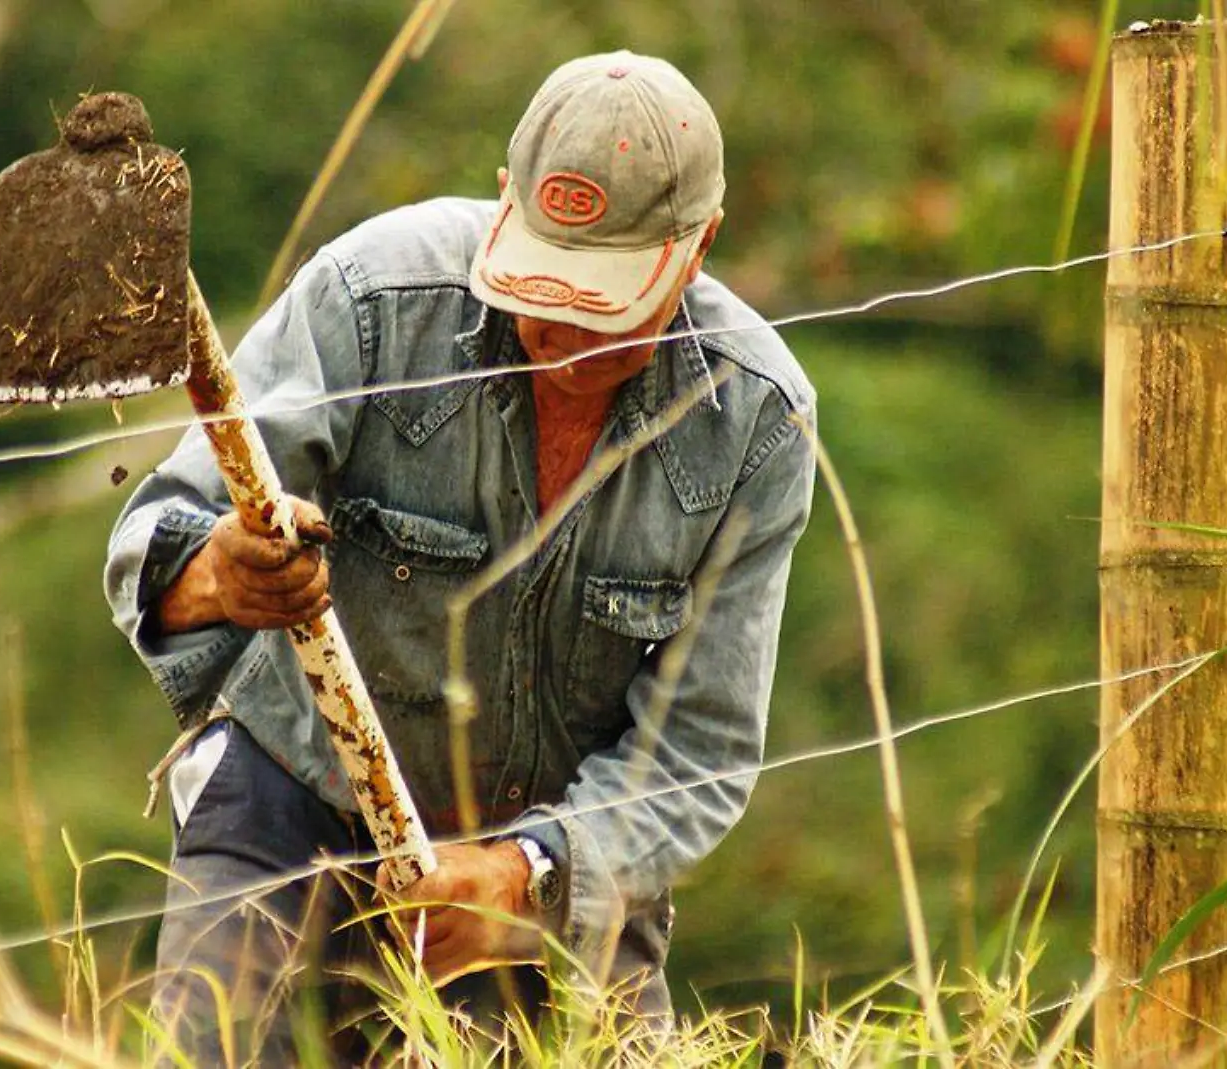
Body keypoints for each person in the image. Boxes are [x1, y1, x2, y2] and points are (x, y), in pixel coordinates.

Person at [105, 49, 816, 1060]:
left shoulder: (755, 422)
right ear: (503, 204)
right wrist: (223, 573)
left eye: (602, 305)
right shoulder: (371, 299)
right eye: (542, 286)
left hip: (556, 867)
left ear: (697, 247)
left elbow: (696, 754)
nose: (561, 329)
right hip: (295, 803)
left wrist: (525, 876)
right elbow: (154, 543)